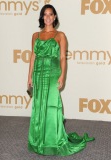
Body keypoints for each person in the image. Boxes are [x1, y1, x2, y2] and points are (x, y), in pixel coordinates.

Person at [27, 4, 95, 156]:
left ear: (55, 17)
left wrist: (62, 76)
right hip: (38, 74)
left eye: (51, 14)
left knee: (52, 106)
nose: (48, 17)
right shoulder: (35, 36)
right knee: (38, 106)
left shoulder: (60, 35)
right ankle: (38, 141)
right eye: (45, 14)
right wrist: (29, 76)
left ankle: (53, 141)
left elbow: (63, 58)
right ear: (42, 17)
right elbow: (33, 56)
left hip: (52, 73)